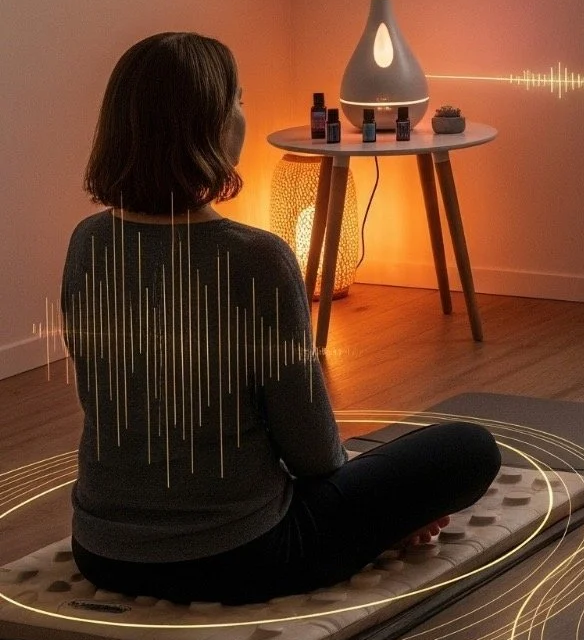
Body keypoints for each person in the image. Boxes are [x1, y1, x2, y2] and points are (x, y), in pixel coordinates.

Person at [64, 32, 501, 605]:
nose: (243, 115)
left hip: (102, 551)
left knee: (374, 468)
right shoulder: (256, 258)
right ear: (212, 126)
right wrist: (385, 507)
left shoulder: (87, 242)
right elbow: (315, 455)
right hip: (243, 555)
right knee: (468, 448)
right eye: (238, 100)